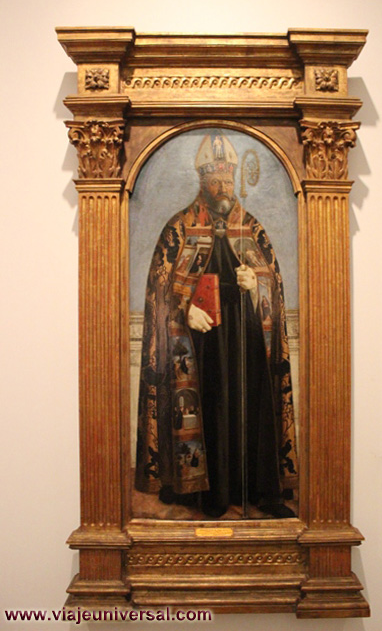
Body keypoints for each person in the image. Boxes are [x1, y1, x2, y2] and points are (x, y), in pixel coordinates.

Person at [135, 131, 298, 518]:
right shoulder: (179, 228)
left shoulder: (251, 228)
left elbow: (271, 284)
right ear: (202, 181)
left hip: (245, 341)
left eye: (227, 179)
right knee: (208, 410)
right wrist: (184, 310)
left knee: (247, 408)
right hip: (199, 344)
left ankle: (258, 490)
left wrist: (255, 283)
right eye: (215, 181)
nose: (223, 187)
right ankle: (202, 494)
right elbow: (160, 291)